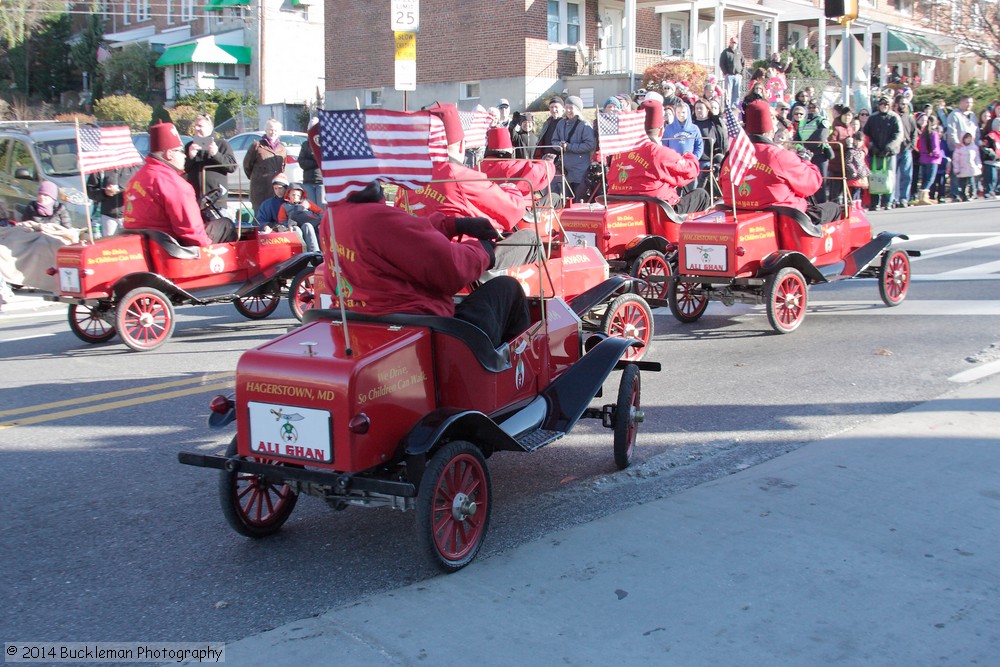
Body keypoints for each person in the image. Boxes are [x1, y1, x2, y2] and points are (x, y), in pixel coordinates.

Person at [326, 181, 530, 348]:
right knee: (507, 288)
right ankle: (516, 374)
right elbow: (451, 270)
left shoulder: (333, 217)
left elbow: (401, 234)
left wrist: (453, 225)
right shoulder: (376, 218)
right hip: (425, 328)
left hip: (367, 323)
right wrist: (485, 251)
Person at [398, 102, 528, 234]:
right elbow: (512, 209)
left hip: (412, 246)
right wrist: (511, 189)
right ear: (461, 145)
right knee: (529, 237)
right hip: (458, 250)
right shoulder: (462, 177)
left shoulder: (407, 179)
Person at [718, 99, 841, 225]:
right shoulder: (779, 156)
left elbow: (722, 184)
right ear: (770, 130)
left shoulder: (731, 157)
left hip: (736, 214)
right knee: (834, 208)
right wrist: (806, 161)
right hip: (784, 220)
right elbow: (811, 185)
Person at [122, 121, 236, 246]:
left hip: (148, 244)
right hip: (171, 249)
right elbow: (194, 236)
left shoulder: (136, 179)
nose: (185, 156)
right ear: (169, 154)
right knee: (226, 225)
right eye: (181, 151)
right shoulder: (174, 184)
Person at [606, 99, 710, 213]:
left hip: (623, 210)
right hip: (661, 214)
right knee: (702, 195)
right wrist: (689, 156)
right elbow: (690, 171)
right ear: (661, 131)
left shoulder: (618, 152)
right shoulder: (659, 153)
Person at [183, 113, 237, 208]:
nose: (196, 128)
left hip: (216, 200)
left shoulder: (221, 144)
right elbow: (182, 169)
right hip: (195, 199)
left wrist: (216, 154)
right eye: (195, 126)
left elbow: (232, 167)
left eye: (200, 126)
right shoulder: (189, 146)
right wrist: (190, 156)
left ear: (210, 128)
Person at [550, 95, 597, 202]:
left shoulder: (585, 125)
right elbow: (554, 141)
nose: (568, 110)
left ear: (578, 109)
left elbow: (590, 145)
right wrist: (559, 146)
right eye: (566, 107)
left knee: (579, 200)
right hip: (565, 171)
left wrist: (569, 147)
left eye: (571, 108)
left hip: (581, 171)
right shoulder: (561, 123)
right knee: (567, 200)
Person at [862, 95, 902, 211]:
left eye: (886, 104)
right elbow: (866, 134)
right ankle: (875, 202)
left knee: (889, 177)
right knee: (875, 177)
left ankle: (888, 201)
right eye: (881, 104)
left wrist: (888, 147)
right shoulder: (873, 118)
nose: (883, 106)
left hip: (889, 153)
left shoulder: (894, 117)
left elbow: (898, 135)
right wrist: (872, 146)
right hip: (875, 153)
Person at [243, 118, 287, 213]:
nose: (272, 132)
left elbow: (282, 167)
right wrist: (257, 177)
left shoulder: (282, 149)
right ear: (266, 130)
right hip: (259, 189)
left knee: (274, 214)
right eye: (270, 129)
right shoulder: (257, 146)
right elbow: (247, 165)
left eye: (275, 130)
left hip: (275, 189)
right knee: (259, 215)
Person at [792, 101, 832, 203]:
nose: (811, 109)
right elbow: (796, 139)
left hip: (819, 155)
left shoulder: (822, 121)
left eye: (814, 107)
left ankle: (821, 205)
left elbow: (820, 138)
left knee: (820, 183)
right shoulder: (802, 122)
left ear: (819, 108)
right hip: (805, 156)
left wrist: (805, 146)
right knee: (806, 181)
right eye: (809, 107)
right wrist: (801, 148)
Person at [86, 164, 139, 237]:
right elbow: (90, 192)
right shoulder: (99, 170)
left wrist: (130, 192)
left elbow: (142, 189)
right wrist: (105, 192)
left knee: (129, 244)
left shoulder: (134, 168)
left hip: (129, 216)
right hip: (107, 216)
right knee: (107, 245)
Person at [692, 99, 726, 196]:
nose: (698, 111)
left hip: (708, 161)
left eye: (701, 108)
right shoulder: (692, 124)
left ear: (707, 110)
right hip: (693, 160)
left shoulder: (714, 124)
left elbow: (721, 144)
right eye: (697, 108)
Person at [275, 183, 321, 252]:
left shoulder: (307, 203)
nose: (295, 197)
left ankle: (315, 252)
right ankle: (302, 253)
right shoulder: (285, 206)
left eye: (298, 195)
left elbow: (320, 212)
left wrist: (321, 222)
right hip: (293, 225)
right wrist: (286, 227)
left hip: (309, 223)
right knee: (296, 230)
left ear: (301, 196)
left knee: (308, 226)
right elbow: (282, 220)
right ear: (288, 195)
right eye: (293, 195)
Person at [892, 97, 916, 208]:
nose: (904, 106)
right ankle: (891, 199)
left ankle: (903, 198)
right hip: (895, 150)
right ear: (896, 104)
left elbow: (914, 133)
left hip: (906, 150)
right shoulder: (893, 117)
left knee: (906, 175)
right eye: (902, 103)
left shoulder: (910, 118)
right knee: (892, 176)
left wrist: (912, 145)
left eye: (906, 104)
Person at [915, 113, 943, 205]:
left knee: (925, 178)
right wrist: (938, 155)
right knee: (930, 179)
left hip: (923, 158)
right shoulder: (934, 133)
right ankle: (923, 197)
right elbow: (935, 148)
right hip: (932, 159)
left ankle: (923, 196)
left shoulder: (923, 133)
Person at [297, 117, 325, 206]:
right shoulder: (305, 145)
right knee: (311, 206)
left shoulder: (324, 144)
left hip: (321, 181)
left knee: (322, 207)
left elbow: (324, 161)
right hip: (308, 181)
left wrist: (314, 159)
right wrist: (315, 161)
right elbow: (301, 162)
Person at [952, 132, 982, 201]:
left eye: (970, 138)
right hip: (962, 169)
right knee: (963, 184)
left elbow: (977, 157)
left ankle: (972, 194)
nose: (968, 140)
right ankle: (963, 195)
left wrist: (978, 164)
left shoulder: (974, 147)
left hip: (971, 168)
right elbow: (956, 160)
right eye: (967, 138)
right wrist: (956, 169)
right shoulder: (959, 148)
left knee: (972, 182)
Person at [719, 36, 745, 107]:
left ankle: (735, 107)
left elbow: (743, 63)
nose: (733, 44)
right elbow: (721, 64)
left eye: (735, 43)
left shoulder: (739, 52)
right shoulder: (725, 52)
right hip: (729, 75)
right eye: (732, 42)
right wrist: (726, 73)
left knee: (736, 93)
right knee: (728, 93)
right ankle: (728, 107)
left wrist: (741, 73)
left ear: (737, 44)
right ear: (730, 43)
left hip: (737, 76)